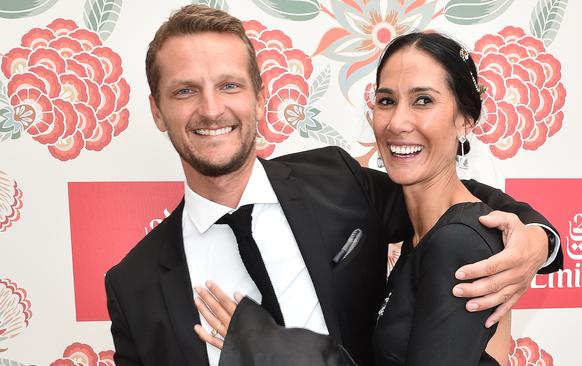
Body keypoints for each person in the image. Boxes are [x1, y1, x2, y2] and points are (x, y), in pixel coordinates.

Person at [104, 5, 562, 366]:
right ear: (157, 110)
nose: (210, 108)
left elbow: (449, 203)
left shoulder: (336, 180)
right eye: (185, 90)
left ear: (259, 97)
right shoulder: (133, 286)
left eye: (229, 85)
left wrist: (541, 241)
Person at [194, 30, 530, 365]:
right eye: (386, 101)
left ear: (465, 120)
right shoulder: (422, 228)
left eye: (423, 100)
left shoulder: (460, 242)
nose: (397, 122)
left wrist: (276, 349)